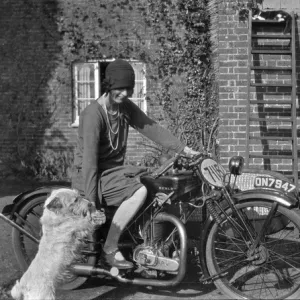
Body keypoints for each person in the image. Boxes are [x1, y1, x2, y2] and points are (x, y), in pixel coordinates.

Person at [72, 59, 199, 269]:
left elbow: (151, 128)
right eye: (119, 89)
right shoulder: (93, 115)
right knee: (139, 192)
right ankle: (110, 248)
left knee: (155, 182)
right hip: (91, 175)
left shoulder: (124, 108)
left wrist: (183, 149)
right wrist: (92, 204)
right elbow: (90, 164)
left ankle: (152, 243)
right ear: (108, 86)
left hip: (113, 173)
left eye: (128, 89)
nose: (124, 94)